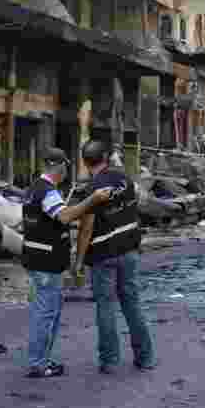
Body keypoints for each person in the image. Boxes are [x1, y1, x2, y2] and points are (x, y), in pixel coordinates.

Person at [22, 147, 113, 379]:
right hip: (46, 262)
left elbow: (50, 220)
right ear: (60, 166)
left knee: (43, 312)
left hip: (37, 258)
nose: (66, 172)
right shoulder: (47, 191)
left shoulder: (34, 189)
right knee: (46, 313)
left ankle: (41, 359)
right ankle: (39, 364)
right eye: (66, 167)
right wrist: (92, 200)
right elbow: (64, 216)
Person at [74, 141, 155, 375]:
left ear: (85, 161)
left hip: (103, 256)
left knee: (106, 308)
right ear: (107, 157)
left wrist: (79, 261)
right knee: (132, 305)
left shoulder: (92, 189)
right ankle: (145, 357)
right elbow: (136, 207)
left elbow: (86, 228)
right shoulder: (125, 180)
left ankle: (110, 361)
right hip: (129, 251)